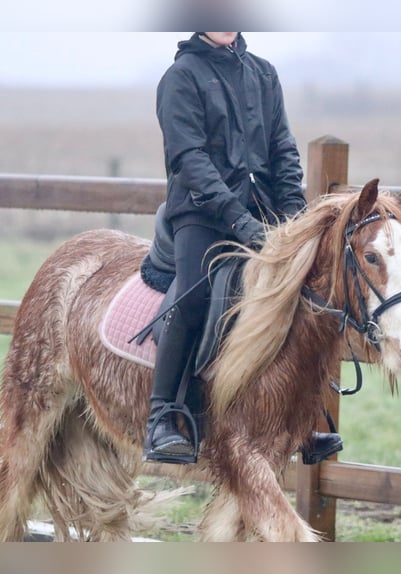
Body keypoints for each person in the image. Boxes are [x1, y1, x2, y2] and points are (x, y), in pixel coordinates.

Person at [143, 32, 342, 464]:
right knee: (195, 295)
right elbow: (189, 159)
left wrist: (294, 216)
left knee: (308, 294)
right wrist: (237, 219)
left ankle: (303, 420)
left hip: (265, 211)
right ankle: (161, 417)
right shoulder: (180, 77)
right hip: (202, 213)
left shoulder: (264, 74)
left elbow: (283, 150)